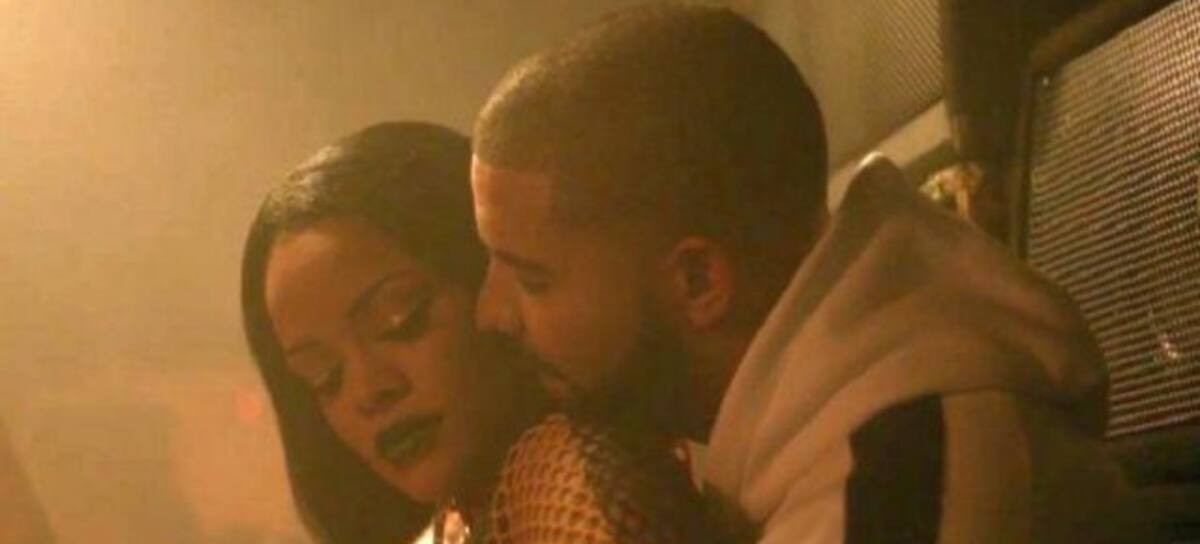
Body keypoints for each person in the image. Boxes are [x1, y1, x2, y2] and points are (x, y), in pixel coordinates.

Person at [471, 4, 1145, 543]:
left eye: (533, 280)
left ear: (697, 282)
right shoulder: (838, 425)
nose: (489, 313)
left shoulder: (897, 495)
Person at [241, 121, 720, 544]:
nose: (369, 390)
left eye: (401, 321)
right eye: (325, 377)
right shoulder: (461, 518)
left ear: (492, 284)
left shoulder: (570, 483)